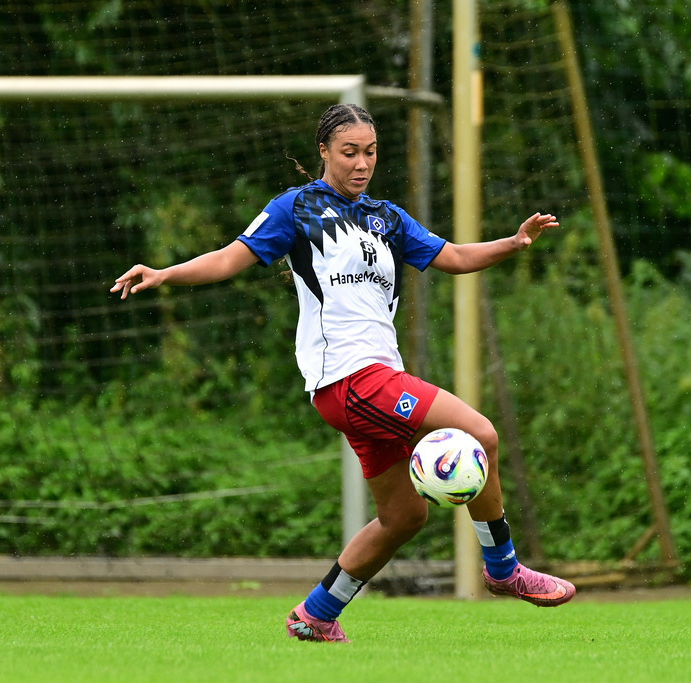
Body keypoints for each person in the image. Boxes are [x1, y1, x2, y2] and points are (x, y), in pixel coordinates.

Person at [111, 103, 575, 643]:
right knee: (481, 434)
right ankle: (504, 570)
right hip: (350, 380)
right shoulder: (296, 208)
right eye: (349, 152)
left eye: (370, 152)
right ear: (325, 152)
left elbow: (451, 255)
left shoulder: (386, 219)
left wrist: (513, 243)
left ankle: (315, 615)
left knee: (404, 518)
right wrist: (165, 273)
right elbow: (229, 257)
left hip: (372, 382)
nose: (361, 163)